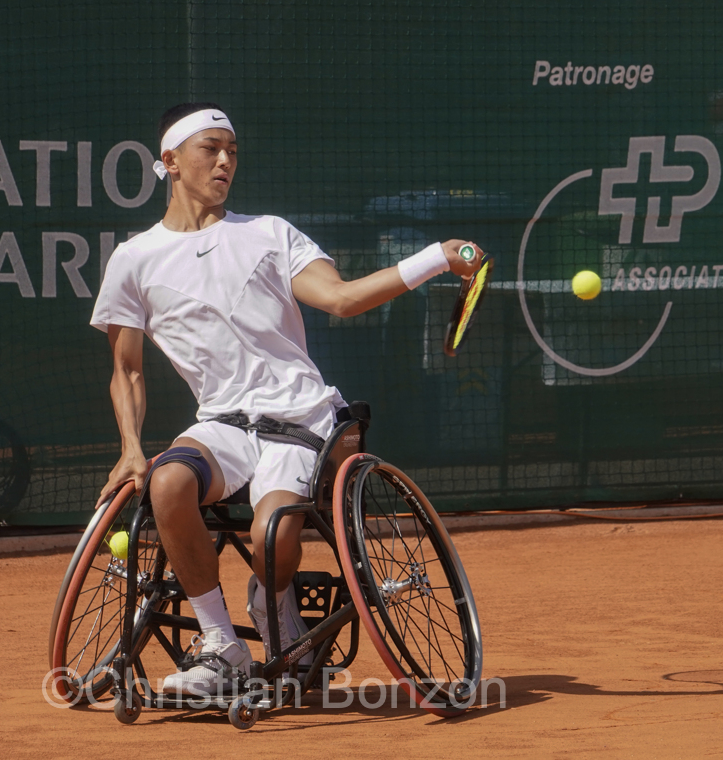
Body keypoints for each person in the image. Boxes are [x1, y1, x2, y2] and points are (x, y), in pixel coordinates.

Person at [90, 103, 482, 696]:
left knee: (271, 534)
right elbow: (126, 371)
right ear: (169, 160)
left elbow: (343, 299)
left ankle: (273, 601)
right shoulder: (133, 259)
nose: (226, 161)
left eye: (233, 151)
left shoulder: (270, 233)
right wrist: (130, 448)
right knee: (168, 482)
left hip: (300, 419)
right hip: (221, 424)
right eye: (210, 149)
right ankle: (221, 647)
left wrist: (436, 256)